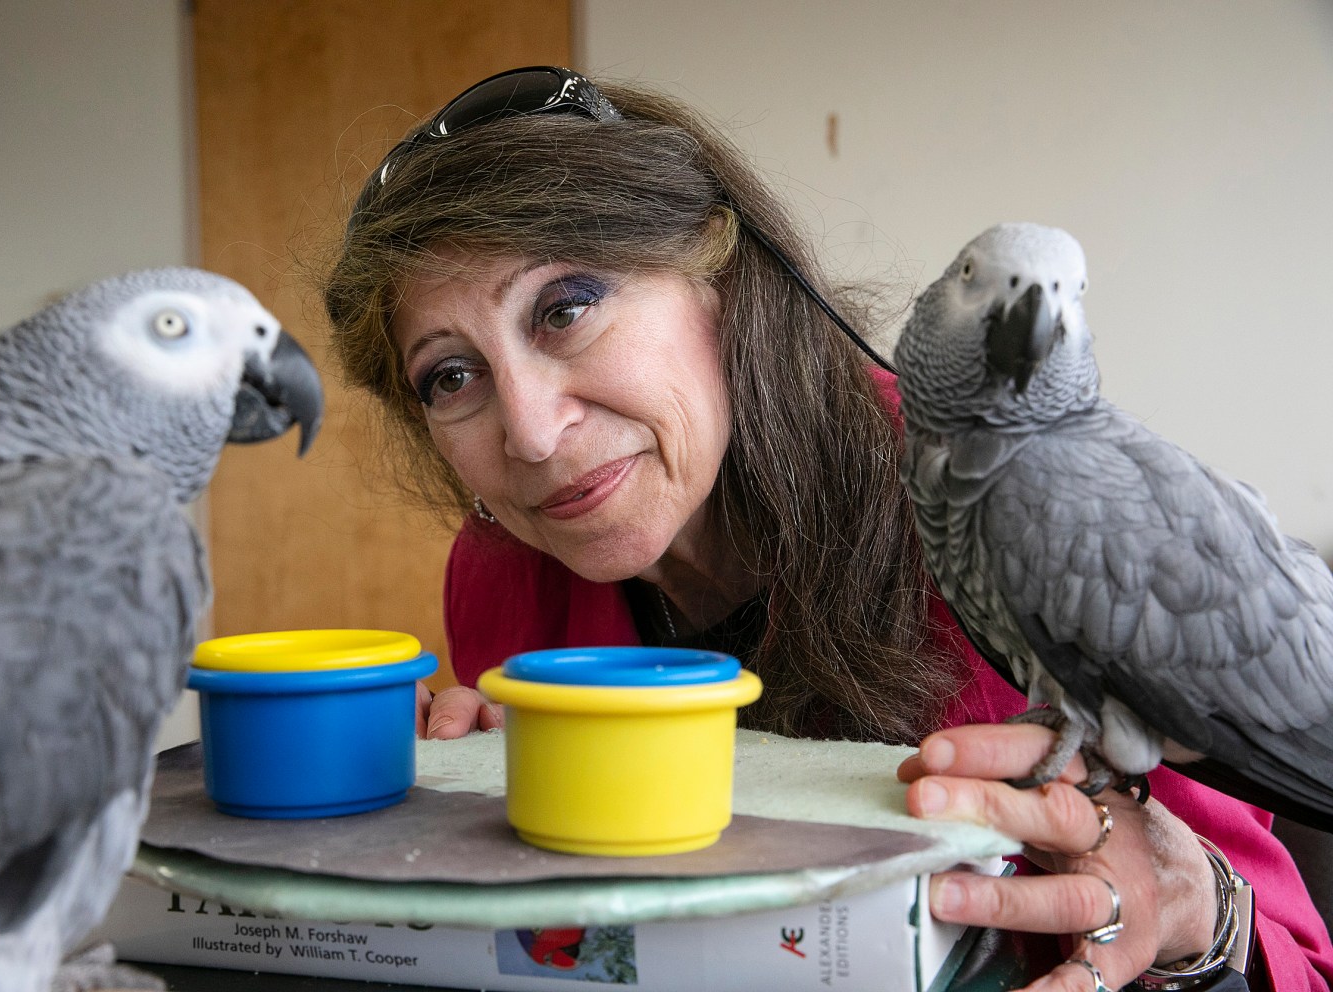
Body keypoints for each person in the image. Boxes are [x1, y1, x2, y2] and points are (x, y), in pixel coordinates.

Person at [324, 66, 1333, 992]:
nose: (534, 435)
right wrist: (470, 847)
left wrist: (1197, 916)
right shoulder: (503, 576)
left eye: (565, 308)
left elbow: (1289, 949)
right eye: (451, 375)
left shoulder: (1000, 506)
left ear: (724, 275)